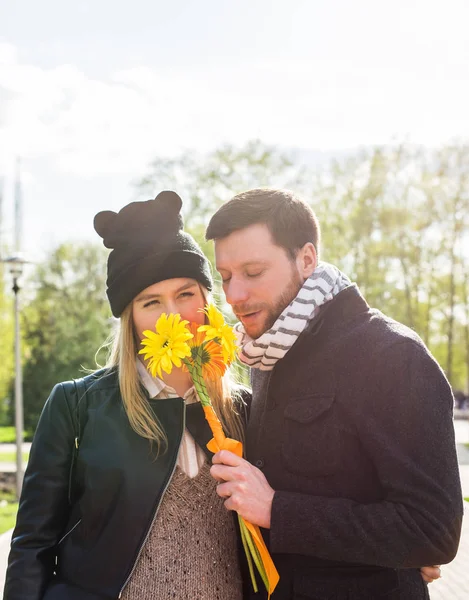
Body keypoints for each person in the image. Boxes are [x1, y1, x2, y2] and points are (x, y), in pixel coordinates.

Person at [205, 188, 463, 600]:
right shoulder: (267, 356)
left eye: (253, 272)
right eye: (226, 277)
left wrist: (278, 509)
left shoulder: (392, 355)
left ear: (306, 260)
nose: (234, 296)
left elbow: (432, 530)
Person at [4, 191, 248, 600]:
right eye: (151, 301)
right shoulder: (76, 406)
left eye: (185, 293)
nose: (173, 314)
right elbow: (32, 543)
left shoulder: (243, 408)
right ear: (130, 317)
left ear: (207, 301)